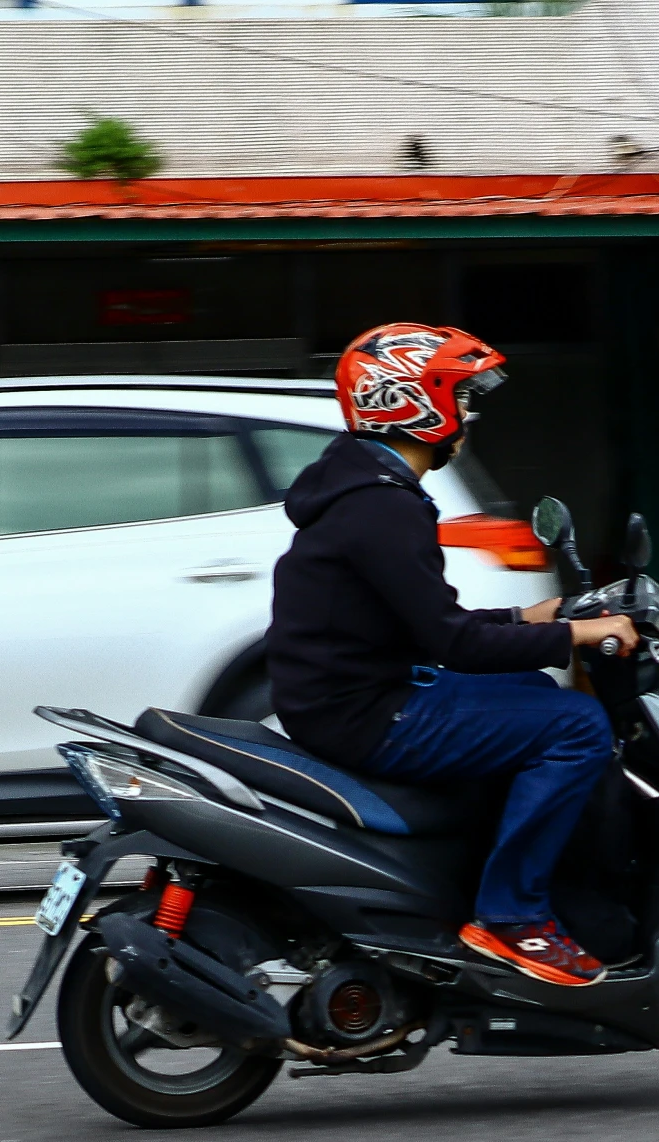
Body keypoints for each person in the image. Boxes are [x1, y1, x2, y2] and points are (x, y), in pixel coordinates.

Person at [267, 323, 639, 987]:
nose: (468, 413)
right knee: (580, 726)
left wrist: (532, 616)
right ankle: (511, 916)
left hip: (358, 693)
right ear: (414, 401)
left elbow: (428, 623)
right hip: (369, 712)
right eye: (459, 396)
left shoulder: (366, 491)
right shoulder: (382, 506)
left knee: (532, 688)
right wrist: (576, 636)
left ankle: (485, 875)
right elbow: (453, 643)